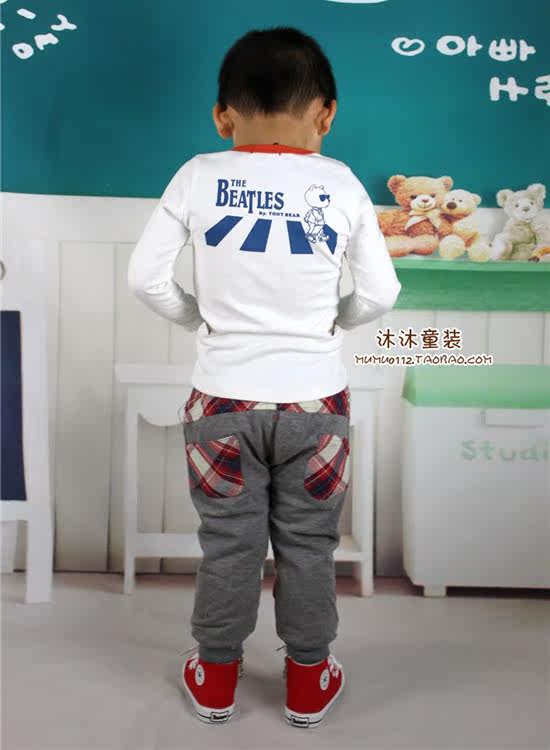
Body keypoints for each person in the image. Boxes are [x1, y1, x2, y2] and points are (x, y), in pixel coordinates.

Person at [127, 26, 401, 728]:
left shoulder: (197, 175)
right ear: (325, 115)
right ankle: (308, 680)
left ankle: (215, 676)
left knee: (230, 543)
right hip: (316, 404)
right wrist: (331, 322)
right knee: (309, 545)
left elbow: (145, 278)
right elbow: (381, 293)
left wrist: (200, 320)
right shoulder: (340, 182)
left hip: (220, 400)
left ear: (223, 117)